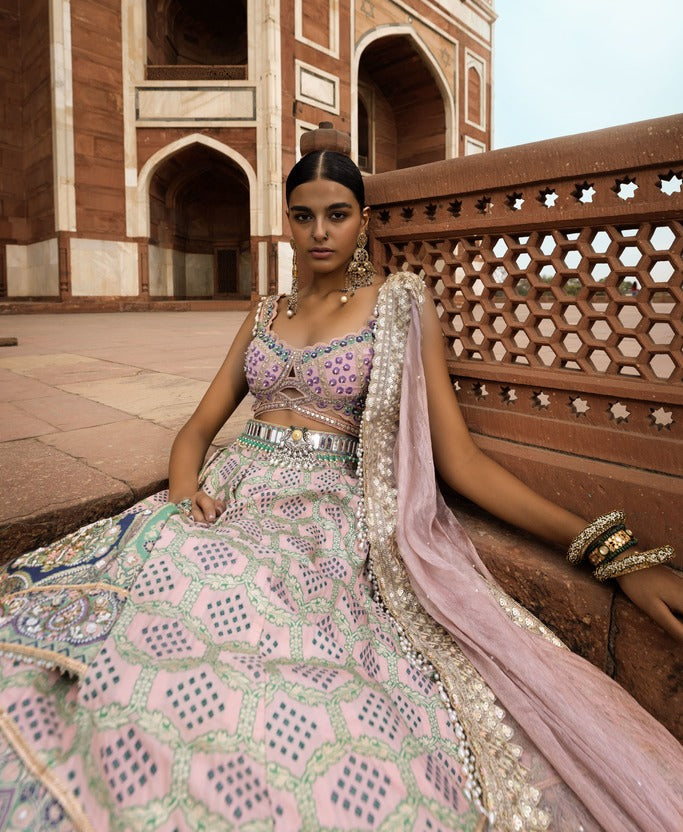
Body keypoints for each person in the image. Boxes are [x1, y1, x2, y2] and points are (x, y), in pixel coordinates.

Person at [0, 139, 681, 832]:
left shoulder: (396, 306)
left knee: (249, 636)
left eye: (337, 214)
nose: (319, 232)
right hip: (228, 496)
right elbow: (197, 430)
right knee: (149, 603)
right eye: (302, 216)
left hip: (320, 516)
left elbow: (461, 462)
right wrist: (183, 496)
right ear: (285, 221)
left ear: (362, 220)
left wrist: (611, 551)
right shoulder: (266, 311)